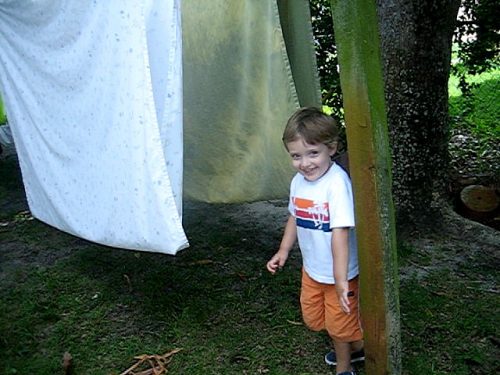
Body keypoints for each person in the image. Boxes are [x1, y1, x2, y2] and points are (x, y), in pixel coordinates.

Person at [266, 107, 364, 375]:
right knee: (313, 318)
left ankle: (344, 367)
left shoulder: (336, 184)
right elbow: (295, 216)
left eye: (313, 153)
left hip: (339, 275)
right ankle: (359, 344)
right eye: (296, 156)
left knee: (338, 325)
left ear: (331, 148)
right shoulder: (299, 181)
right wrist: (283, 251)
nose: (305, 163)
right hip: (312, 270)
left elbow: (340, 233)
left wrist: (341, 279)